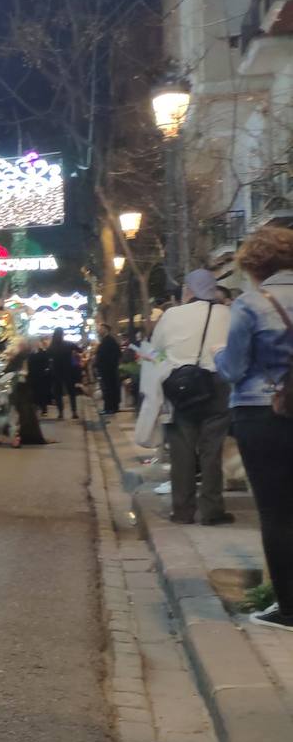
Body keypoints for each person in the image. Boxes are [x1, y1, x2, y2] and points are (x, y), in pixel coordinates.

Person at [215, 227, 293, 631]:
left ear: (255, 265)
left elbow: (234, 367)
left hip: (262, 411)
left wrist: (216, 356)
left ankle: (288, 608)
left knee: (276, 513)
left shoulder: (250, 304)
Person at [153, 269, 233, 526]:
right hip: (217, 385)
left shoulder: (171, 315)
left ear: (188, 290)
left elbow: (155, 352)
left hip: (181, 388)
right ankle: (212, 510)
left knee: (182, 451)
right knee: (212, 450)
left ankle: (183, 510)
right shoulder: (228, 314)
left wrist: (172, 365)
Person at [47, 328, 79, 419]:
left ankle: (60, 412)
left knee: (58, 393)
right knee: (71, 392)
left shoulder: (52, 346)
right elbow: (79, 349)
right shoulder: (68, 344)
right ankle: (74, 412)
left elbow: (47, 356)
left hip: (56, 372)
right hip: (68, 371)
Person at [96, 323, 122, 414]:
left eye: (101, 329)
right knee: (109, 388)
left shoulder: (109, 340)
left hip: (108, 370)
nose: (99, 330)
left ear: (106, 330)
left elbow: (116, 354)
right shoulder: (105, 340)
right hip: (107, 369)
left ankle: (109, 408)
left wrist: (109, 364)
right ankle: (111, 407)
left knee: (108, 388)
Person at [28, 337, 53, 416]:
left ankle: (43, 409)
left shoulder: (42, 352)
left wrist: (46, 370)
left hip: (41, 376)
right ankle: (37, 408)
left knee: (41, 393)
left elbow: (47, 363)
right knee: (35, 393)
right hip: (33, 376)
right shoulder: (30, 353)